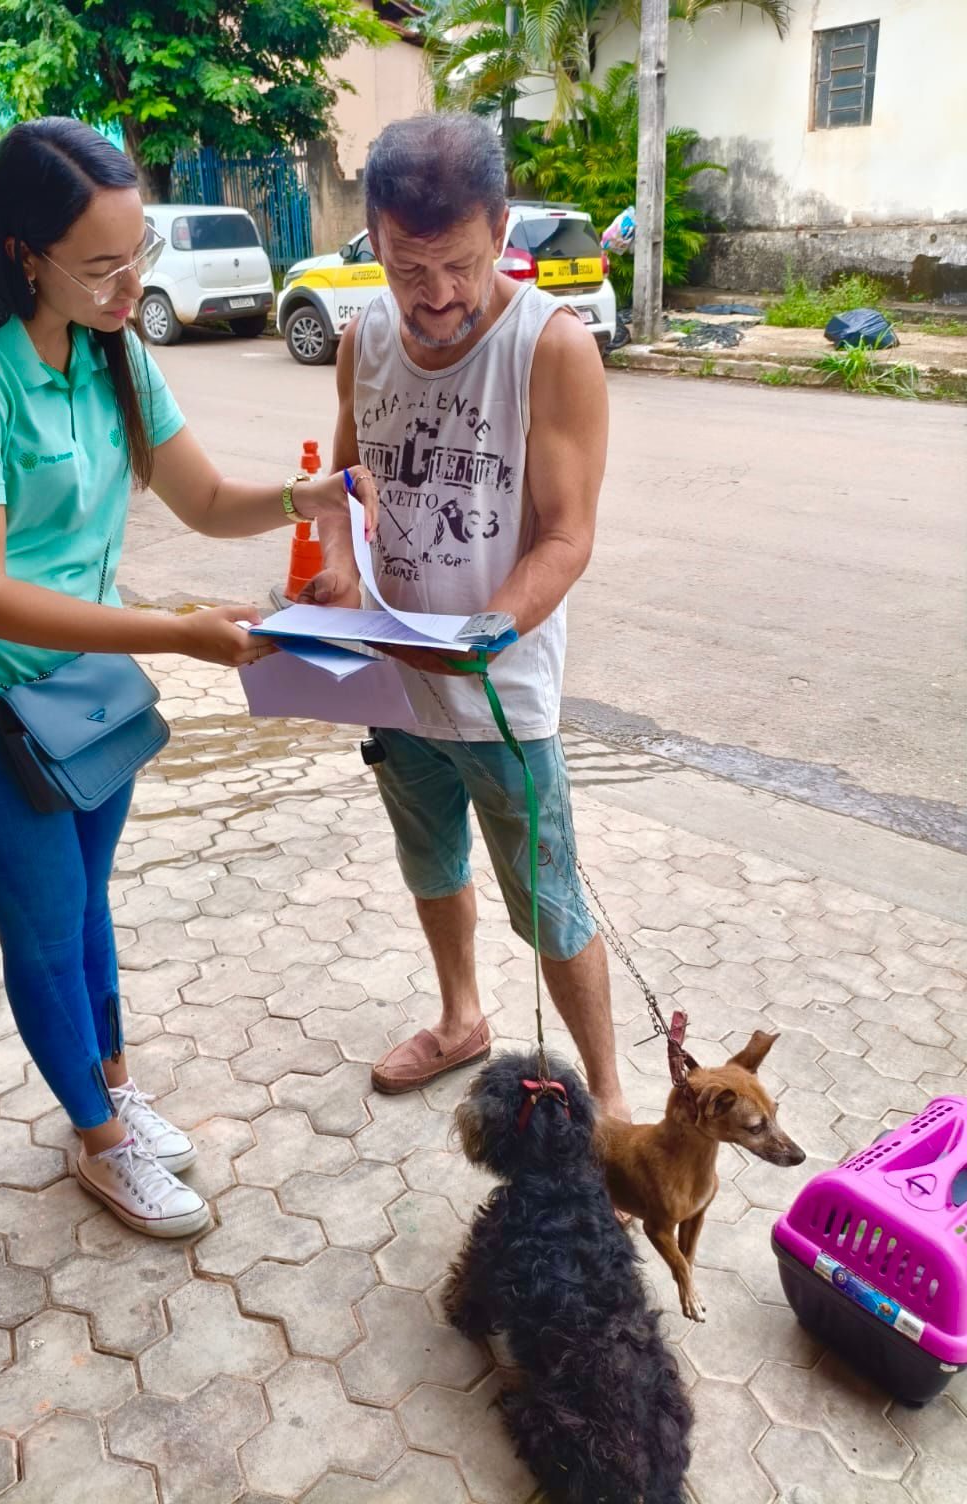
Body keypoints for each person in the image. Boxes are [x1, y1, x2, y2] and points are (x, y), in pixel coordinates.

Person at [0, 118, 377, 1238]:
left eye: (135, 254)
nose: (129, 287)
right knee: (46, 920)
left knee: (87, 900)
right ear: (21, 253)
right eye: (101, 266)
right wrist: (178, 634)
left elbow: (204, 499)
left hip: (80, 683)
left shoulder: (108, 344)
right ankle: (101, 1143)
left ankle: (112, 1085)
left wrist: (307, 497)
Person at [307, 114, 629, 1120]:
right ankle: (460, 1018)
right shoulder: (362, 340)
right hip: (394, 685)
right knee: (429, 861)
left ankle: (611, 1101)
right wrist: (338, 577)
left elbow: (566, 537)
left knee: (551, 902)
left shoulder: (551, 349)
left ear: (499, 231)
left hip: (501, 697)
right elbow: (349, 488)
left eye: (458, 264)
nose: (436, 293)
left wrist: (486, 633)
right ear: (374, 241)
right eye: (408, 268)